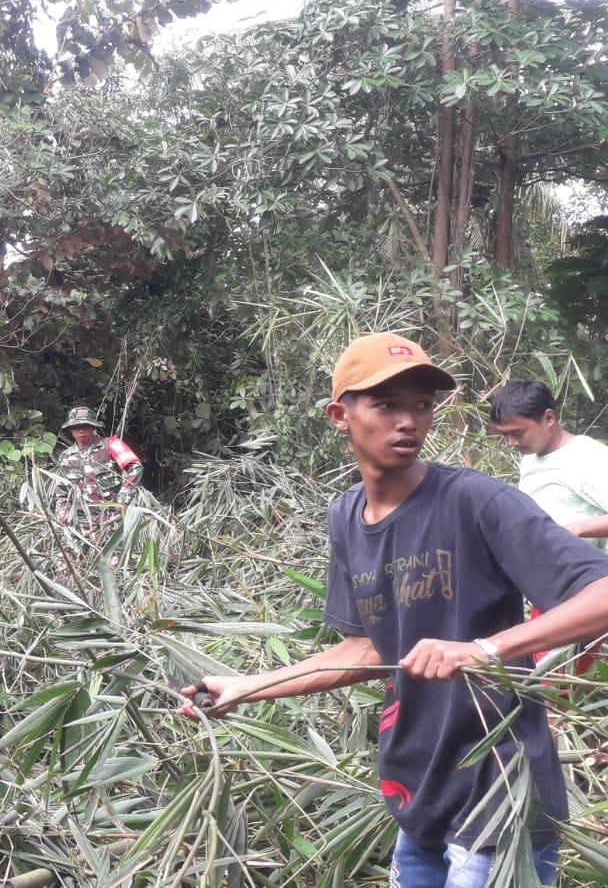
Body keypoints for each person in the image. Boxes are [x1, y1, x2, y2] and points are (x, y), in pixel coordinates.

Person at [178, 333, 608, 887]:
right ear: (341, 415)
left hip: (499, 789)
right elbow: (367, 648)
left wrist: (484, 649)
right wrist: (248, 686)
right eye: (386, 404)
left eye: (422, 405)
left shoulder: (477, 500)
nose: (408, 420)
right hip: (418, 789)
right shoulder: (345, 515)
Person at [488, 379, 608, 548]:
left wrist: (575, 530)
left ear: (549, 418)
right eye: (504, 435)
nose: (511, 443)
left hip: (584, 570)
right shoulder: (530, 456)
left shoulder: (588, 456)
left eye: (517, 433)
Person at [53, 404, 142, 529]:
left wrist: (123, 497)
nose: (81, 430)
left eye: (85, 426)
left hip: (111, 518)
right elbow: (61, 492)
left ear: (93, 427)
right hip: (79, 522)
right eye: (76, 427)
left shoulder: (110, 445)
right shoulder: (65, 457)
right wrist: (62, 513)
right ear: (70, 429)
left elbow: (135, 467)